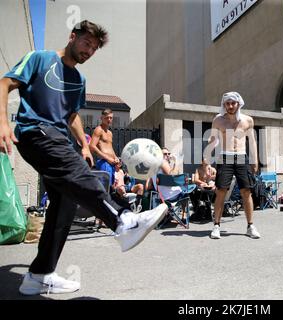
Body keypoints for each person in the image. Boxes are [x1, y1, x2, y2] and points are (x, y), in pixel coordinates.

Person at [0, 20, 168, 295]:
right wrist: (3, 122)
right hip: (35, 132)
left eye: (94, 48)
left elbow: (72, 116)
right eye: (86, 43)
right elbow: (5, 82)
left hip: (58, 136)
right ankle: (124, 220)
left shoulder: (79, 80)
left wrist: (85, 144)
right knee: (79, 175)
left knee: (64, 201)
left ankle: (39, 274)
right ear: (72, 36)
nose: (89, 51)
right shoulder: (40, 59)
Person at [207, 91, 260, 239]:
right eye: (227, 103)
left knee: (246, 192)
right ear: (224, 105)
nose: (230, 106)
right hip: (225, 157)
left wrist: (254, 160)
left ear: (238, 104)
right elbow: (212, 140)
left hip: (242, 157)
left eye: (233, 103)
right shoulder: (218, 120)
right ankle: (216, 226)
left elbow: (252, 141)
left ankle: (250, 226)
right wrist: (206, 161)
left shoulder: (247, 120)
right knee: (221, 191)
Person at [90, 108, 120, 187]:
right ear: (101, 118)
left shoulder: (110, 133)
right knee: (104, 189)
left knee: (111, 188)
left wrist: (116, 158)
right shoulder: (98, 130)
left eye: (111, 117)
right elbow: (92, 146)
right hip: (104, 163)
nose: (109, 120)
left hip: (111, 163)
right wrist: (107, 158)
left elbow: (110, 148)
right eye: (106, 118)